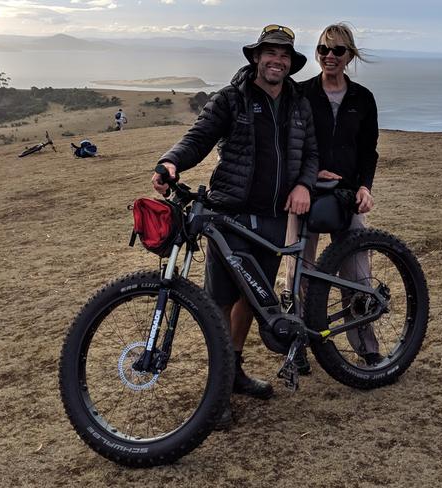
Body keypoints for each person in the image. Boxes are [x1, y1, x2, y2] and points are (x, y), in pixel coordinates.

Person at [152, 25, 318, 426]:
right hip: (232, 215)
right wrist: (171, 161)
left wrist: (303, 185)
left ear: (290, 62)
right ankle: (219, 385)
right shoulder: (232, 98)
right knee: (221, 300)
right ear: (256, 58)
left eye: (282, 54)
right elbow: (199, 136)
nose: (275, 60)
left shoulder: (298, 103)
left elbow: (311, 153)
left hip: (276, 217)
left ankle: (236, 370)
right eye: (269, 53)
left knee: (252, 298)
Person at [285, 23, 380, 374]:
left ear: (350, 55)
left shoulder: (362, 98)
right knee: (299, 273)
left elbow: (369, 151)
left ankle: (367, 348)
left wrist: (365, 188)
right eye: (323, 50)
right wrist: (307, 178)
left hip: (348, 196)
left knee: (356, 273)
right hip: (305, 193)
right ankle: (298, 346)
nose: (329, 57)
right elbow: (291, 145)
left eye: (338, 51)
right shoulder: (302, 94)